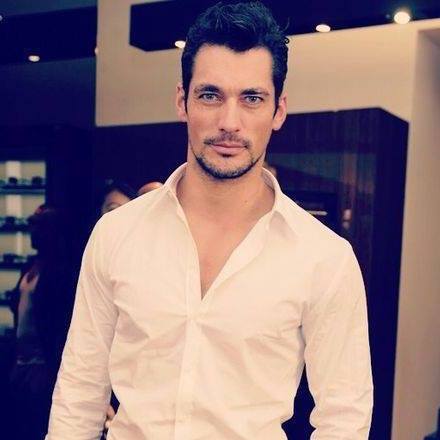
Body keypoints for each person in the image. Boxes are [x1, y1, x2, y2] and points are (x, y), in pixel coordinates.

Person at [46, 2, 373, 439]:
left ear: (278, 111)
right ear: (182, 101)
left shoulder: (324, 258)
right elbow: (80, 391)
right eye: (210, 95)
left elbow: (345, 418)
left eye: (252, 99)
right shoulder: (117, 233)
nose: (229, 122)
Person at [9, 205, 77, 440]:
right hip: (21, 360)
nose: (33, 232)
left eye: (39, 227)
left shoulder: (60, 271)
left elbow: (58, 320)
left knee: (37, 423)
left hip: (42, 363)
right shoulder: (30, 266)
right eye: (32, 225)